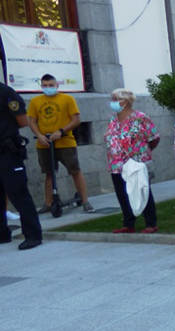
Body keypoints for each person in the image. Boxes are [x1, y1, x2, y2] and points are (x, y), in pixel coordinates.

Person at [26, 74, 92, 215]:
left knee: (75, 170)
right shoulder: (35, 101)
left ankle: (85, 201)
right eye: (45, 85)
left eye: (51, 85)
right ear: (41, 86)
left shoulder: (67, 99)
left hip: (65, 141)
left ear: (57, 85)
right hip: (44, 143)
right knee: (49, 173)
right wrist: (39, 135)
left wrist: (61, 131)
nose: (48, 88)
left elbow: (76, 120)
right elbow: (31, 121)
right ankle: (48, 203)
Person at [104, 89, 160, 233]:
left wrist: (143, 152)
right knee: (122, 193)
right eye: (113, 99)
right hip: (116, 164)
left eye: (117, 99)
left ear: (127, 101)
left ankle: (150, 223)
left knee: (142, 190)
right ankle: (128, 223)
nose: (114, 102)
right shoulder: (113, 119)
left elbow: (154, 138)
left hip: (136, 161)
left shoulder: (140, 117)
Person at [0, 81, 43, 250]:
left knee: (18, 193)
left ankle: (33, 235)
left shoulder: (5, 93)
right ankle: (2, 234)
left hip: (8, 151)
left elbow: (23, 120)